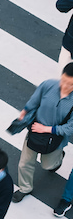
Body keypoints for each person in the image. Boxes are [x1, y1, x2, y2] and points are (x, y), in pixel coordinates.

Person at [13, 64, 73, 202]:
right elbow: (35, 100)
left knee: (48, 165)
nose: (65, 86)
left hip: (54, 138)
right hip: (35, 131)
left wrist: (47, 129)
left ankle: (58, 160)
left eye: (70, 84)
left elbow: (70, 128)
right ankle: (25, 188)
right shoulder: (48, 85)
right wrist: (25, 111)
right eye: (64, 81)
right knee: (25, 163)